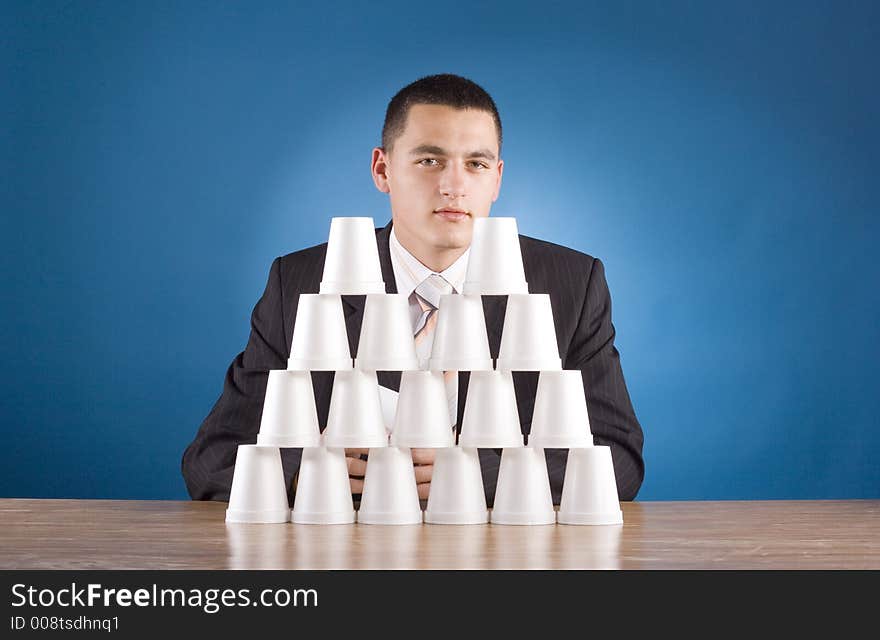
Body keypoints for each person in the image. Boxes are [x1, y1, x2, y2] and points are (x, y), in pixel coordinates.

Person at [182, 74, 644, 506]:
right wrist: (302, 476)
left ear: (497, 179)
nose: (453, 186)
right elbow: (211, 460)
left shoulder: (570, 283)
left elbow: (619, 460)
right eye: (429, 160)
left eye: (476, 164)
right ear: (382, 170)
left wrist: (477, 475)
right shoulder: (300, 283)